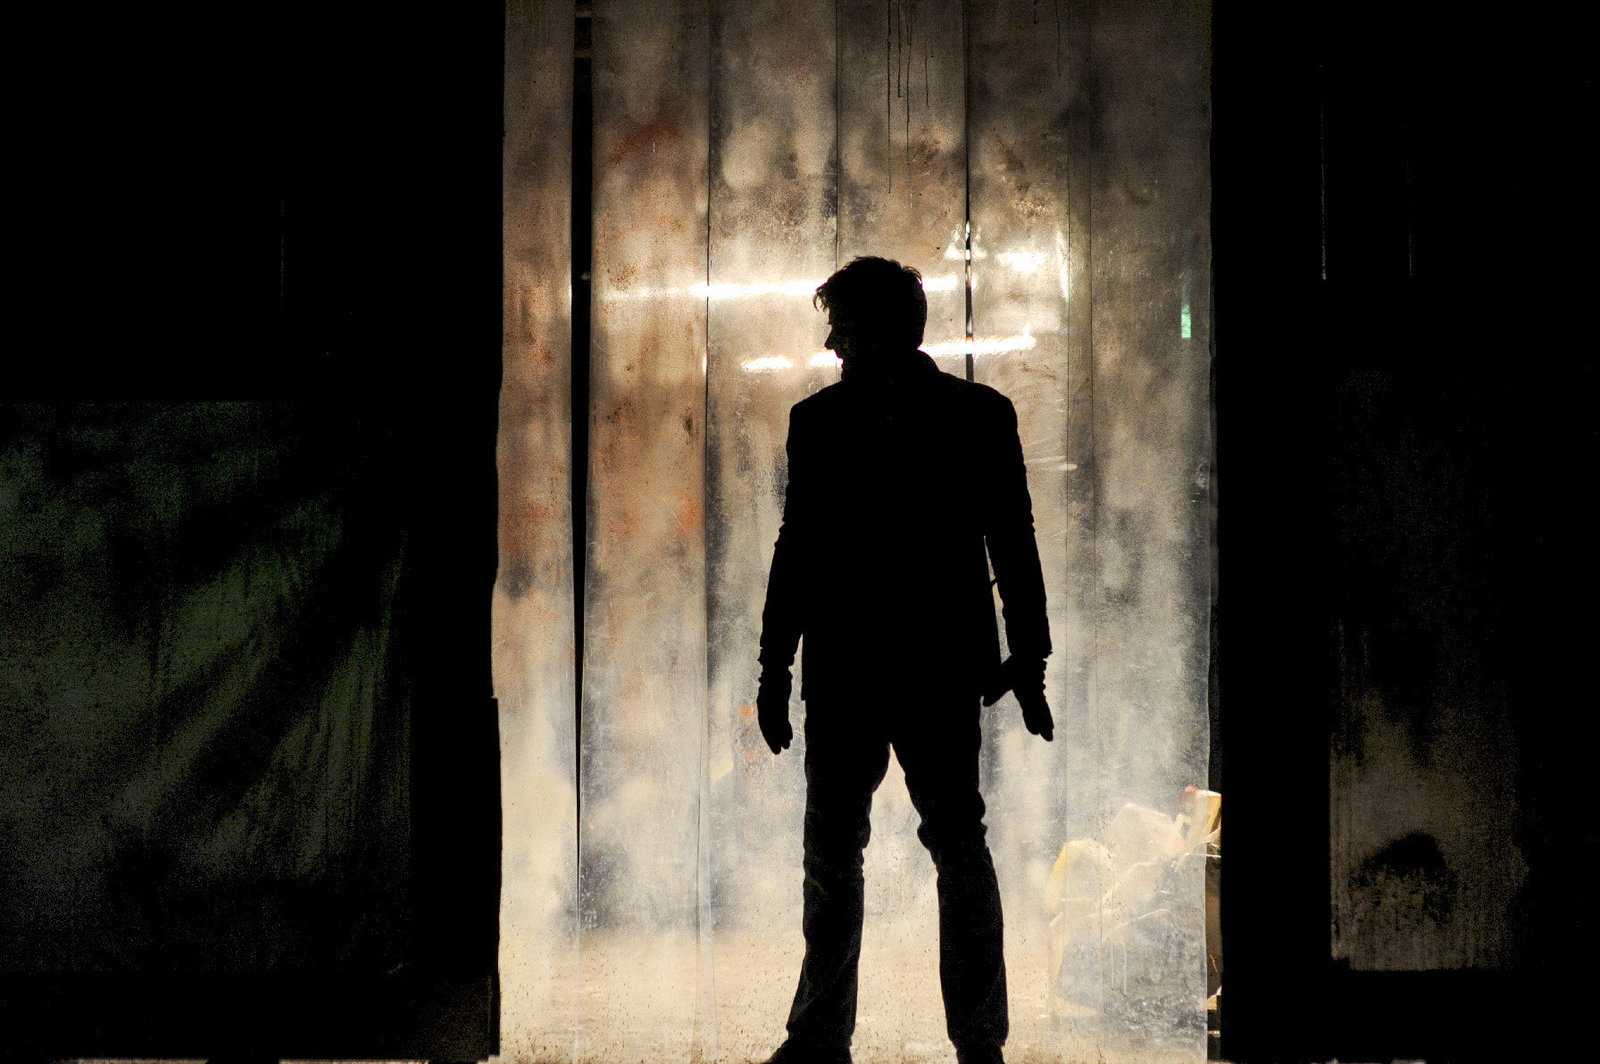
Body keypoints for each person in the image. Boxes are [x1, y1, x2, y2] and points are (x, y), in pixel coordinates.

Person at [756, 256, 1054, 1064]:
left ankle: (821, 1037)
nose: (832, 343)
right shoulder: (978, 415)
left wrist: (776, 668)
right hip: (941, 665)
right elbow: (1012, 542)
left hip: (846, 667)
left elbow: (798, 551)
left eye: (842, 327)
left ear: (873, 331)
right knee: (958, 848)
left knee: (835, 855)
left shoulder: (820, 423)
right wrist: (1028, 657)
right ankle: (978, 1044)